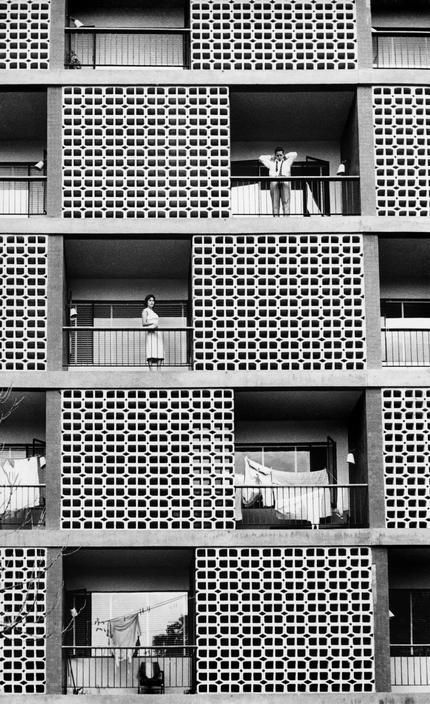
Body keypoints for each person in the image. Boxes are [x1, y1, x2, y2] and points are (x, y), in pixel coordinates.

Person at [259, 147, 298, 216]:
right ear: (275, 155)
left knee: (286, 202)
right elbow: (260, 158)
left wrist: (286, 156)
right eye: (277, 155)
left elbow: (295, 154)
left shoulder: (287, 162)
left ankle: (286, 219)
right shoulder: (271, 163)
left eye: (280, 155)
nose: (279, 157)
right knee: (275, 203)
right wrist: (271, 157)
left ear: (283, 155)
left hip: (285, 182)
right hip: (274, 182)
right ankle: (276, 220)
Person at [141, 294, 164, 369]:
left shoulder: (153, 312)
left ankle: (159, 370)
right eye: (150, 300)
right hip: (151, 333)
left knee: (159, 350)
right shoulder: (145, 311)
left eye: (153, 300)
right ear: (147, 302)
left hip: (157, 333)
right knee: (151, 349)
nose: (152, 302)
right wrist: (153, 323)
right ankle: (151, 370)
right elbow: (144, 323)